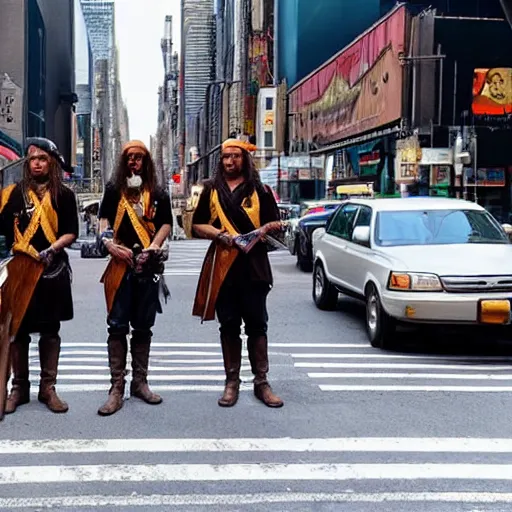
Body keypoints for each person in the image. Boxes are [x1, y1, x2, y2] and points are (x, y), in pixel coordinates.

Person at [192, 138, 284, 408]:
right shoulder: (210, 190)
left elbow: (275, 224)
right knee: (229, 325)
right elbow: (197, 224)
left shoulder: (261, 190)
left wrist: (265, 229)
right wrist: (220, 235)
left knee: (258, 325)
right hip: (223, 266)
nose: (230, 162)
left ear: (245, 159)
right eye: (225, 157)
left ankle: (261, 382)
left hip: (254, 267)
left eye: (235, 156)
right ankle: (231, 382)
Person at [0, 137, 78, 414]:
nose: (37, 164)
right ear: (26, 162)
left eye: (43, 159)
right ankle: (19, 388)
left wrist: (52, 249)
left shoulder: (64, 195)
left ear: (52, 163)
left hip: (51, 268)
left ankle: (48, 388)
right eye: (33, 159)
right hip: (19, 270)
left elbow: (71, 232)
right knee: (17, 330)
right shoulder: (11, 194)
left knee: (50, 329)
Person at [97, 140, 172, 416]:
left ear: (146, 162)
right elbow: (104, 219)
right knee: (116, 327)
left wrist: (153, 247)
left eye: (139, 158)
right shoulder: (113, 190)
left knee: (143, 328)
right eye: (130, 158)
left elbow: (166, 223)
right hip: (118, 268)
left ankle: (140, 383)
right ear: (123, 161)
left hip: (147, 269)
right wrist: (109, 244)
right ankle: (116, 388)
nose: (134, 162)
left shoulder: (158, 193)